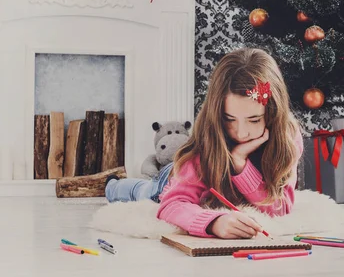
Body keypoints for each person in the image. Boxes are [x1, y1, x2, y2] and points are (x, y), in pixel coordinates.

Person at [106, 48, 303, 239]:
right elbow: (173, 203)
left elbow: (280, 208)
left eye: (254, 120)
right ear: (217, 114)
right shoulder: (207, 139)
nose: (241, 133)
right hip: (172, 179)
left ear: (273, 114)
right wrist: (213, 222)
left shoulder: (288, 137)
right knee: (144, 191)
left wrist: (240, 164)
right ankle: (112, 184)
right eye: (229, 119)